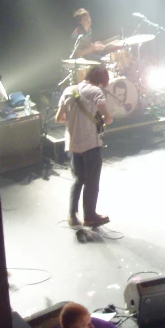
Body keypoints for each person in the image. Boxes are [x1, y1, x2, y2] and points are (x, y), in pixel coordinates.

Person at [56, 66, 113, 227]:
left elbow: (59, 118)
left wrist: (74, 118)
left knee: (78, 179)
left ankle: (72, 215)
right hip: (90, 144)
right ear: (101, 80)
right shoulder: (96, 92)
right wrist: (98, 118)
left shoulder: (69, 90)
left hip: (73, 144)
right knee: (92, 182)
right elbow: (109, 119)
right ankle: (90, 216)